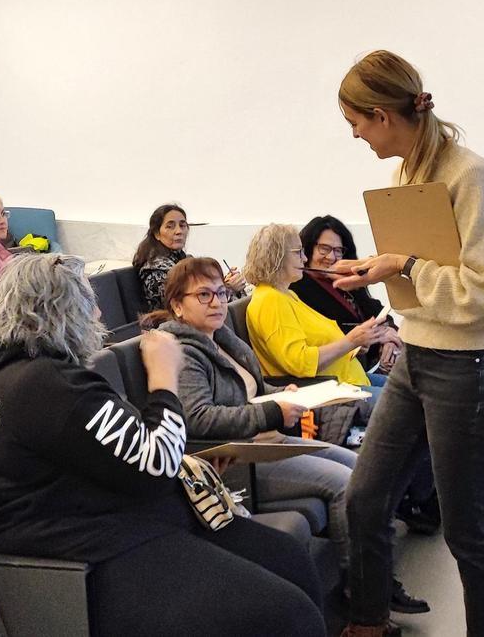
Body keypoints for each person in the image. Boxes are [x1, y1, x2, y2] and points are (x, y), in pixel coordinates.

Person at [0, 253, 325, 637]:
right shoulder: (46, 385)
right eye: (89, 304)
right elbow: (155, 466)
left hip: (124, 519)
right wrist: (164, 376)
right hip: (91, 551)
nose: (99, 314)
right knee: (288, 616)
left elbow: (117, 452)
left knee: (288, 557)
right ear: (61, 312)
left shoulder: (14, 374)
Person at [333, 50, 484, 637]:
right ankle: (369, 622)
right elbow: (422, 276)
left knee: (467, 530)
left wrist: (404, 264)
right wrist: (381, 270)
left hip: (469, 368)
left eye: (357, 123)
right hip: (418, 358)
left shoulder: (469, 175)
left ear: (384, 115)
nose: (357, 135)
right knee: (364, 499)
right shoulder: (406, 177)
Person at [148, 256, 427, 616]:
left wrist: (280, 392)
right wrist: (272, 410)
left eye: (219, 292)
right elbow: (197, 419)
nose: (217, 301)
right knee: (347, 484)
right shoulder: (183, 351)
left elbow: (247, 389)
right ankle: (363, 598)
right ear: (176, 305)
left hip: (262, 440)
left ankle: (377, 579)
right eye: (203, 295)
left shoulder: (220, 339)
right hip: (235, 460)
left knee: (359, 467)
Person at [293, 215, 441, 537]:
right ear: (305, 250)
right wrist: (376, 339)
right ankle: (415, 498)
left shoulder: (348, 281)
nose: (331, 257)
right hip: (345, 370)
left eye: (338, 250)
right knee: (414, 407)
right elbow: (332, 341)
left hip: (367, 362)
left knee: (427, 397)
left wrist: (390, 337)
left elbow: (377, 313)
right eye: (323, 249)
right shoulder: (299, 289)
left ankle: (422, 493)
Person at [243, 223, 391, 395]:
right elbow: (299, 362)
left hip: (348, 380)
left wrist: (355, 344)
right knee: (411, 407)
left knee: (412, 395)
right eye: (298, 252)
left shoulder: (286, 294)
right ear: (277, 256)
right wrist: (350, 341)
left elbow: (314, 342)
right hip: (334, 391)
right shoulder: (270, 300)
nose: (305, 259)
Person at [132, 203, 248, 312]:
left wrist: (222, 283)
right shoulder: (155, 270)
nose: (179, 231)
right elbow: (187, 305)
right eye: (170, 226)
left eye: (182, 225)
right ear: (157, 233)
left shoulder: (185, 260)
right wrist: (227, 289)